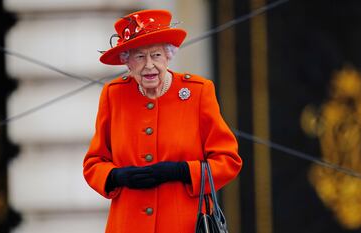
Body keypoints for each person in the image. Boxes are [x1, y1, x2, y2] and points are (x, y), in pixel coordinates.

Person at [83, 9, 242, 233]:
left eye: (156, 55)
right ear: (127, 62)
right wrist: (117, 176)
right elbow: (93, 164)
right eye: (139, 56)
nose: (149, 65)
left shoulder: (198, 92)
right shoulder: (114, 95)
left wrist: (181, 171)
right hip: (128, 225)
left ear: (168, 55)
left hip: (184, 225)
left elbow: (228, 161)